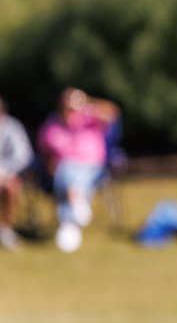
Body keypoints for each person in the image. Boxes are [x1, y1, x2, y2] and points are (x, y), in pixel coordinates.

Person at [37, 88, 120, 252]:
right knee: (66, 169)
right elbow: (45, 153)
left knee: (70, 172)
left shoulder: (90, 118)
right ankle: (77, 202)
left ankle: (68, 223)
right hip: (60, 173)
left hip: (91, 169)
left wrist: (87, 103)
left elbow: (113, 113)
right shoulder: (52, 126)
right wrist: (50, 164)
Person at [0, 96, 33, 250]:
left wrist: (4, 172)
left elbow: (23, 156)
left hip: (8, 176)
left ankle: (6, 231)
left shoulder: (13, 127)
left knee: (11, 188)